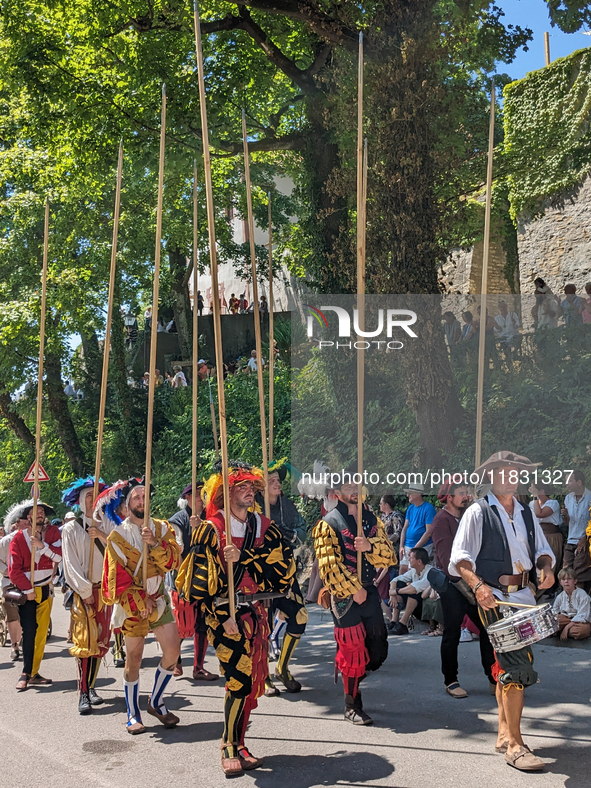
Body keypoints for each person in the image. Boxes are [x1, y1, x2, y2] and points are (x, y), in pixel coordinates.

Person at [176, 460, 296, 777]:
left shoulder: (263, 526)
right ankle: (228, 746)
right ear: (225, 494)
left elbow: (281, 572)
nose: (248, 491)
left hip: (255, 612)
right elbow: (199, 585)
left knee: (251, 681)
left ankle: (240, 743)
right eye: (240, 487)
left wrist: (243, 556)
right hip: (224, 614)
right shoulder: (210, 528)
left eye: (250, 486)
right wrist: (224, 614)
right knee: (239, 679)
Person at [449, 451, 555, 772]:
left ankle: (502, 733)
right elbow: (460, 560)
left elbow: (542, 552)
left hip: (524, 597)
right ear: (492, 476)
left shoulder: (526, 512)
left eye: (516, 473)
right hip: (493, 597)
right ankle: (515, 745)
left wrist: (546, 567)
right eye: (505, 473)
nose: (512, 478)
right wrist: (479, 586)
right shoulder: (478, 513)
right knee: (515, 665)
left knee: (506, 663)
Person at [312, 470, 394, 726]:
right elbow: (329, 567)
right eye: (348, 486)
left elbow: (388, 557)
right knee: (352, 652)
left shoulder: (371, 519)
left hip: (368, 592)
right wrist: (352, 589)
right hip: (344, 597)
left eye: (357, 485)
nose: (354, 490)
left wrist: (368, 547)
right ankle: (352, 704)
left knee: (378, 649)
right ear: (337, 494)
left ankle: (355, 675)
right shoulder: (328, 524)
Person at [102, 478, 181, 734]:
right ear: (127, 505)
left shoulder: (161, 528)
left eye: (145, 496)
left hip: (158, 597)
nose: (141, 501)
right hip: (133, 604)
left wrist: (155, 544)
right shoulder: (117, 537)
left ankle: (156, 701)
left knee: (173, 651)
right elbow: (116, 578)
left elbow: (172, 562)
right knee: (134, 659)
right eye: (136, 497)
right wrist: (139, 599)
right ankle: (132, 713)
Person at [431, 482, 496, 698]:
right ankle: (451, 680)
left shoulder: (468, 516)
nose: (465, 497)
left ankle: (493, 675)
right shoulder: (441, 520)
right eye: (461, 494)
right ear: (449, 497)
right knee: (452, 632)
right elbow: (445, 557)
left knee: (487, 629)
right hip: (453, 586)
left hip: (472, 583)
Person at [61, 476, 113, 715]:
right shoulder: (71, 529)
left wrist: (101, 535)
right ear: (81, 502)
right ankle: (82, 692)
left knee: (100, 641)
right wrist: (84, 591)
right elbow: (70, 564)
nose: (93, 501)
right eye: (88, 497)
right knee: (85, 642)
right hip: (85, 593)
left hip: (105, 591)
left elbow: (120, 549)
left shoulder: (108, 525)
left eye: (96, 496)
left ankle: (91, 686)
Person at [261, 460, 308, 696]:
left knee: (299, 617)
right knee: (263, 626)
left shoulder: (287, 505)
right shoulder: (254, 508)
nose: (277, 484)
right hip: (261, 576)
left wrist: (291, 534)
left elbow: (302, 529)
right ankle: (263, 676)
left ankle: (282, 667)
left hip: (285, 572)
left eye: (278, 480)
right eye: (271, 481)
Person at [8, 499, 62, 691]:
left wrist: (42, 546)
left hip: (45, 588)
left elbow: (59, 556)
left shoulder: (53, 533)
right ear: (28, 516)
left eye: (42, 512)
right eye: (35, 511)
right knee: (30, 631)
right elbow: (14, 570)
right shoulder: (18, 538)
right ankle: (26, 671)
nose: (39, 514)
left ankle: (34, 671)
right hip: (27, 591)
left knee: (41, 633)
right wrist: (28, 590)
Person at [167, 482, 218, 681]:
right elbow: (177, 548)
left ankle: (198, 667)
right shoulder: (177, 520)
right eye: (196, 494)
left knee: (202, 623)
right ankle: (175, 660)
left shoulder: (210, 517)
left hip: (205, 579)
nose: (199, 497)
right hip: (182, 579)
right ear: (187, 498)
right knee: (182, 624)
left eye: (202, 494)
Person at [0, 501, 29, 661]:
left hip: (29, 583)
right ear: (17, 523)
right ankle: (14, 645)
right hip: (10, 583)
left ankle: (27, 640)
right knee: (11, 611)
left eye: (28, 522)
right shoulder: (5, 541)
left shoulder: (33, 539)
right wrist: (10, 573)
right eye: (24, 522)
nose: (27, 525)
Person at [389, 547, 432, 635]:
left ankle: (402, 623)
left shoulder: (430, 572)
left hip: (428, 611)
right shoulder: (413, 571)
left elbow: (415, 588)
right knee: (400, 583)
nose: (409, 560)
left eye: (411, 558)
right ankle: (394, 621)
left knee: (414, 592)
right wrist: (392, 594)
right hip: (418, 608)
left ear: (419, 561)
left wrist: (396, 592)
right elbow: (395, 580)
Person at [561, 470, 591, 590]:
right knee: (566, 573)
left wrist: (585, 538)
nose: (566, 484)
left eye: (569, 481)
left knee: (578, 575)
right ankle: (569, 604)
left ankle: (580, 603)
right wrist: (565, 517)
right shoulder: (568, 498)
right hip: (570, 540)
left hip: (584, 541)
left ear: (579, 482)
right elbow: (568, 524)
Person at [529, 483, 563, 582]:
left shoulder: (553, 503)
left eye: (533, 488)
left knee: (549, 563)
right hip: (538, 536)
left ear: (542, 491)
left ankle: (548, 590)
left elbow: (539, 514)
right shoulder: (532, 504)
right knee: (537, 564)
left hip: (551, 537)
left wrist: (535, 497)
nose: (530, 489)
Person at [398, 483, 436, 572]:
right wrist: (401, 546)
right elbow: (404, 529)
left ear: (417, 494)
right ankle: (401, 586)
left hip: (422, 547)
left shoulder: (428, 508)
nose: (407, 495)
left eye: (410, 493)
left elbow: (428, 532)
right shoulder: (410, 508)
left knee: (413, 573)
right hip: (408, 545)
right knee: (402, 570)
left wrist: (415, 549)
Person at [552, 568, 591, 641]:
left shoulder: (582, 595)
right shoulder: (560, 596)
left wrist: (566, 628)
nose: (566, 581)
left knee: (577, 632)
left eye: (569, 579)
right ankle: (563, 629)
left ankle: (563, 629)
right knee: (554, 621)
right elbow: (554, 611)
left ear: (575, 581)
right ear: (560, 582)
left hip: (581, 621)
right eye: (563, 579)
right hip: (566, 618)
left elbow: (582, 615)